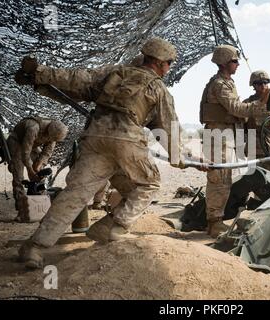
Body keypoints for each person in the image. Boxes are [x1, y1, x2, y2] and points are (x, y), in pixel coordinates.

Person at [16, 37, 191, 268]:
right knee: (149, 184)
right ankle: (113, 228)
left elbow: (78, 79)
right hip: (126, 141)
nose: (169, 68)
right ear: (161, 63)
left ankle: (35, 248)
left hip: (96, 137)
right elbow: (168, 129)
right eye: (169, 63)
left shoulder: (116, 73)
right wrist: (181, 159)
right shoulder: (158, 88)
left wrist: (40, 74)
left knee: (76, 193)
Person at [200, 45, 270, 238]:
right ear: (224, 63)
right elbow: (236, 109)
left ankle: (216, 220)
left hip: (225, 135)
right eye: (234, 61)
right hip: (219, 136)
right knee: (219, 180)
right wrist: (260, 103)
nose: (238, 64)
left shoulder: (227, 83)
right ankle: (214, 223)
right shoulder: (220, 84)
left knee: (225, 179)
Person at [7, 117, 68, 222]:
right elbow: (25, 153)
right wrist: (30, 170)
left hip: (33, 144)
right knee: (19, 175)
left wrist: (39, 165)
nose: (51, 140)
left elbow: (47, 153)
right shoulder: (33, 128)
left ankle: (40, 206)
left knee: (40, 174)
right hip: (17, 142)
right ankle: (22, 211)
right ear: (49, 131)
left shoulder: (53, 133)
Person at [243, 70, 270, 174]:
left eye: (265, 83)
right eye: (259, 83)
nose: (263, 85)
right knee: (257, 182)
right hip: (255, 151)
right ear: (253, 85)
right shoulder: (247, 104)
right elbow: (241, 128)